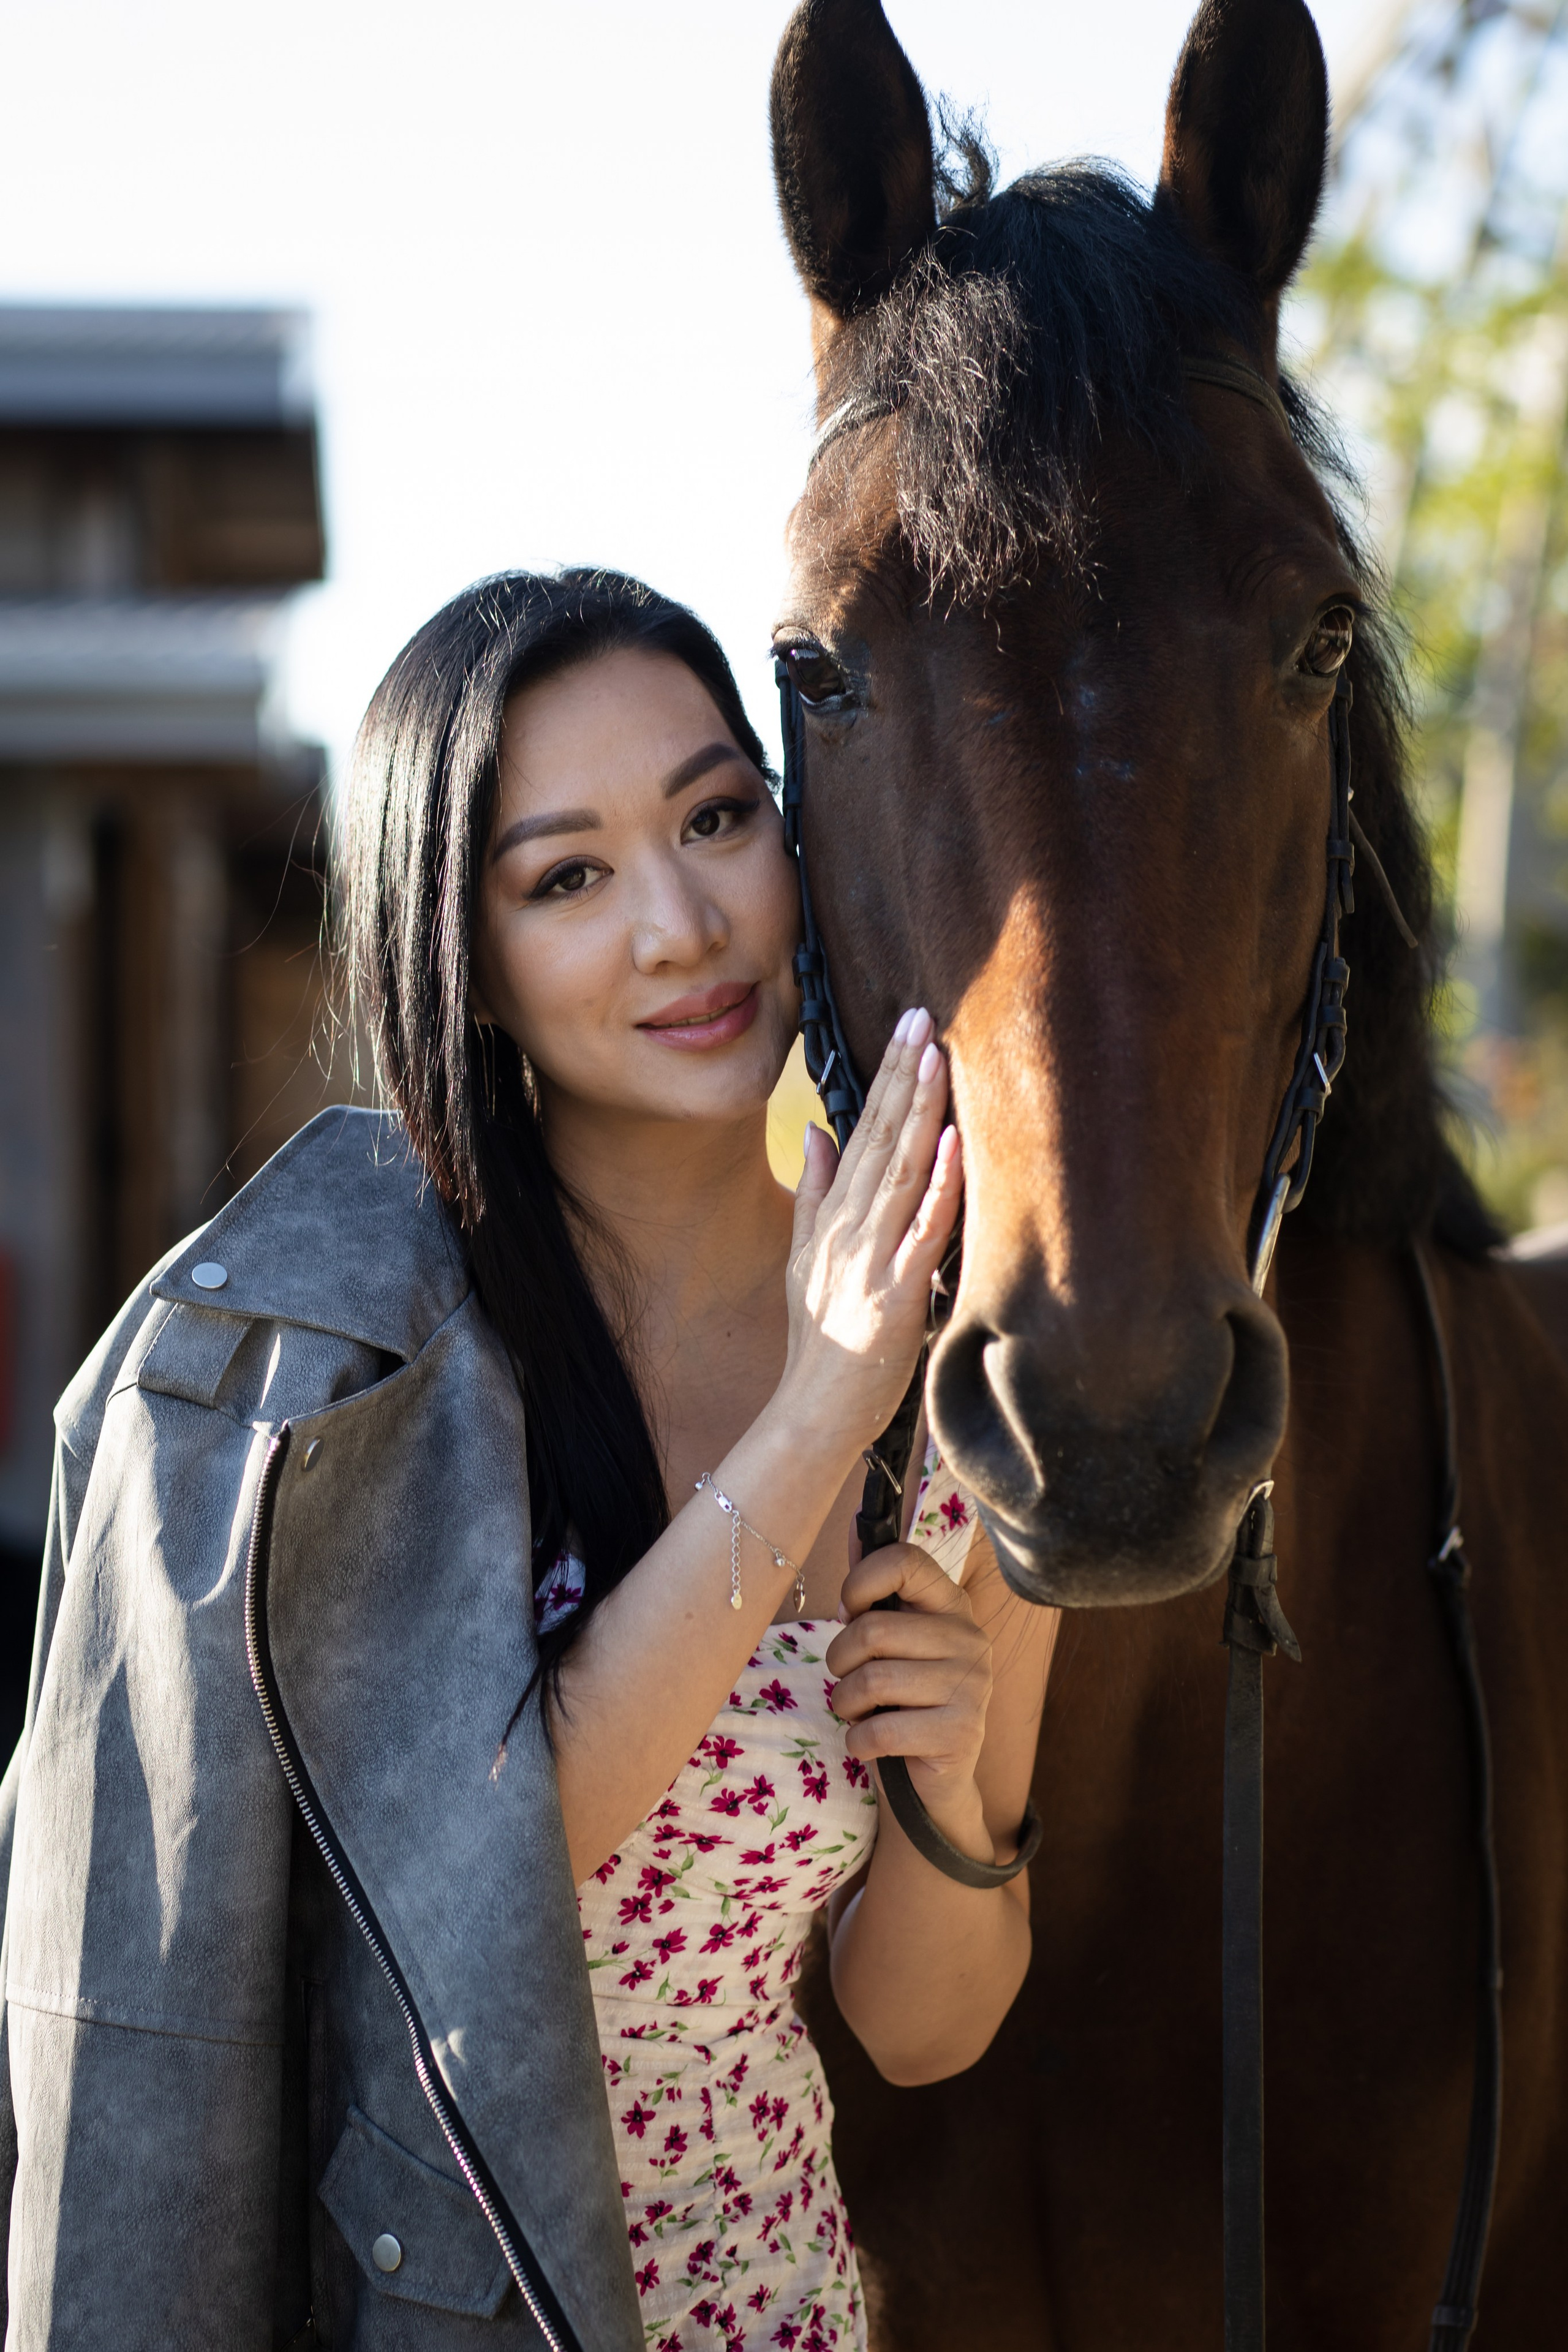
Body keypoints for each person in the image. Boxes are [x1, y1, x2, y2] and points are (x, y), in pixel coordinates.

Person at [0, 568, 1057, 2352]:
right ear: (465, 961)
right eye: (568, 878)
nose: (681, 926)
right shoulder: (371, 1372)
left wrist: (952, 1800)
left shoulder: (954, 1365)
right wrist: (817, 1410)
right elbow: (466, 1881)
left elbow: (918, 2028)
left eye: (717, 819)